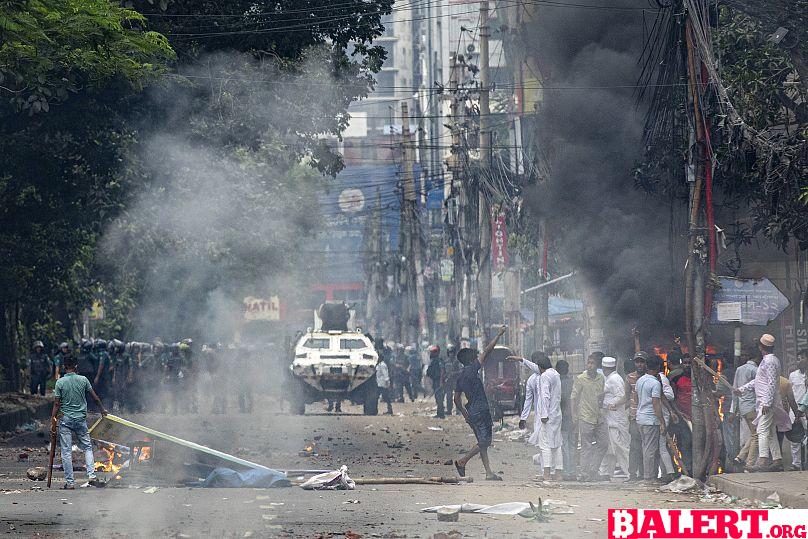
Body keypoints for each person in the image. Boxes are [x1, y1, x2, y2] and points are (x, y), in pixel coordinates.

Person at [453, 325, 507, 481]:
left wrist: (465, 414)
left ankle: (489, 472)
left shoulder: (461, 376)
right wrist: (499, 334)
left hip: (472, 412)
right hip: (481, 410)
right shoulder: (472, 369)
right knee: (485, 441)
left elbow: (456, 399)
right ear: (470, 359)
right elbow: (487, 351)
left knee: (481, 443)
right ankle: (463, 461)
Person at [50, 355, 107, 489]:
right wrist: (102, 410)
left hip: (65, 420)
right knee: (87, 447)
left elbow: (57, 404)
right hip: (81, 420)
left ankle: (70, 483)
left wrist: (52, 419)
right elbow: (95, 398)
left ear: (64, 367)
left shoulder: (60, 382)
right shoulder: (83, 380)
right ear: (76, 366)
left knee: (66, 452)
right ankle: (92, 475)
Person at [735, 334, 791, 472]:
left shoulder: (770, 361)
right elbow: (759, 381)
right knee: (770, 431)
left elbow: (772, 382)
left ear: (761, 347)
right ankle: (777, 459)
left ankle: (763, 460)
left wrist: (767, 402)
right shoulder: (767, 361)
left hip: (767, 403)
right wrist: (742, 389)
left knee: (762, 430)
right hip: (765, 402)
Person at [571, 352, 609, 481]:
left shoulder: (601, 378)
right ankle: (584, 473)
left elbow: (601, 395)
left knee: (604, 444)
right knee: (586, 446)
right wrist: (574, 415)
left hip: (599, 416)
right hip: (586, 416)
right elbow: (574, 397)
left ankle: (593, 470)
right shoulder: (581, 378)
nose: (590, 366)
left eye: (592, 363)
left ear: (597, 365)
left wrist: (601, 406)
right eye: (588, 363)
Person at [636, 354, 666, 484]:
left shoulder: (640, 380)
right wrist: (662, 421)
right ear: (658, 367)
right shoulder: (655, 383)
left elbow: (637, 398)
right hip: (650, 420)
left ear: (647, 366)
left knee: (645, 447)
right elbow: (656, 403)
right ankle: (649, 477)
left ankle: (648, 475)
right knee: (650, 450)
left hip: (640, 418)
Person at [601, 356, 630, 479]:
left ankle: (628, 471)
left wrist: (612, 405)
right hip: (611, 418)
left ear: (604, 368)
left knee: (620, 446)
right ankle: (607, 472)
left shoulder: (614, 379)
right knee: (611, 446)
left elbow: (621, 396)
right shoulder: (611, 378)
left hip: (616, 418)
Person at [731, 345, 760, 470]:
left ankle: (740, 457)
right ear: (757, 358)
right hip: (753, 407)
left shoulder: (739, 369)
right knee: (757, 436)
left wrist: (734, 410)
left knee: (754, 434)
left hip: (743, 408)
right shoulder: (756, 370)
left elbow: (734, 390)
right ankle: (749, 464)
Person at [556, 359, 577, 479]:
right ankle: (572, 471)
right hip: (572, 417)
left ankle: (567, 471)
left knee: (565, 446)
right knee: (571, 445)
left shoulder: (557, 383)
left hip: (562, 418)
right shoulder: (572, 382)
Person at [788, 351, 807, 470]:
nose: (799, 361)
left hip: (806, 409)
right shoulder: (793, 375)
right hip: (795, 410)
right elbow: (790, 394)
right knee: (795, 437)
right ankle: (796, 464)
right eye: (798, 358)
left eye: (802, 358)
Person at [426, 345, 445, 418]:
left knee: (439, 398)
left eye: (433, 352)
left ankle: (441, 414)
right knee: (437, 398)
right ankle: (439, 413)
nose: (432, 353)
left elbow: (442, 371)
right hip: (435, 381)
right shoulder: (433, 360)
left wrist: (441, 382)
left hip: (438, 381)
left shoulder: (439, 360)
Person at [444, 344, 461, 415]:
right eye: (450, 352)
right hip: (448, 381)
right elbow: (444, 371)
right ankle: (449, 410)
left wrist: (454, 373)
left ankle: (458, 410)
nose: (451, 354)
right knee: (448, 396)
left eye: (452, 352)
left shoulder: (457, 361)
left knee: (457, 396)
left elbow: (461, 371)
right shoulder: (446, 361)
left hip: (456, 381)